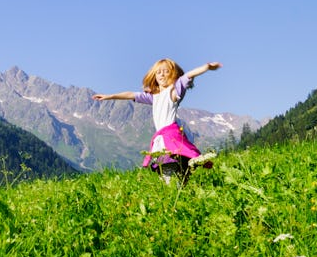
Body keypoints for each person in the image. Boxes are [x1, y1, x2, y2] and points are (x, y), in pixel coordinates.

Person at [92, 59, 221, 185]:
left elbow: (188, 75)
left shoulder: (173, 91)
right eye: (158, 72)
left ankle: (176, 187)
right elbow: (131, 94)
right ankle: (180, 185)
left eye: (166, 71)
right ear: (154, 75)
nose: (162, 74)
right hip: (162, 138)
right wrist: (109, 96)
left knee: (169, 166)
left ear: (174, 74)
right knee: (170, 169)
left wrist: (207, 67)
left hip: (171, 136)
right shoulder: (153, 97)